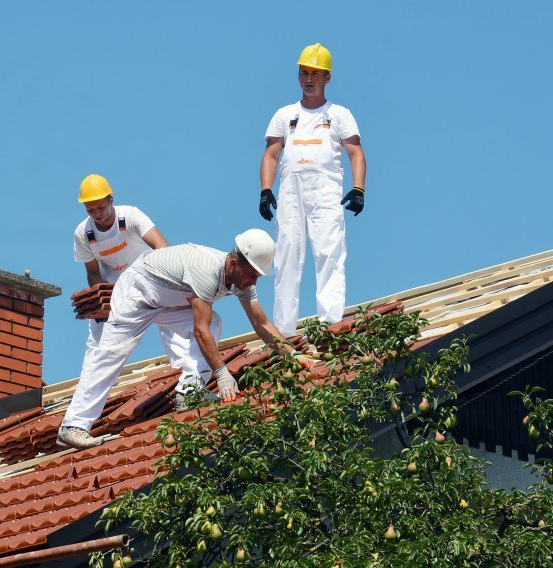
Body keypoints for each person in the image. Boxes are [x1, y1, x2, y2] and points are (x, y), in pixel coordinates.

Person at [58, 229, 291, 449]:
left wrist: (291, 353)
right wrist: (221, 373)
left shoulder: (242, 282)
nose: (254, 281)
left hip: (168, 300)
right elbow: (200, 331)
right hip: (138, 290)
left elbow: (261, 323)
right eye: (251, 274)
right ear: (233, 263)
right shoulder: (207, 269)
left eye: (258, 276)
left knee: (215, 322)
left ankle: (190, 393)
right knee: (111, 352)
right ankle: (73, 425)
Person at [72, 173, 222, 429]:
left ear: (111, 199)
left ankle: (188, 389)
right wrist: (102, 304)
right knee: (100, 350)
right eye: (90, 209)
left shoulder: (129, 217)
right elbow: (93, 273)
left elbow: (162, 248)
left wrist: (173, 286)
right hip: (118, 296)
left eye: (100, 207)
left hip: (151, 285)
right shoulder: (84, 233)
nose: (96, 213)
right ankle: (78, 418)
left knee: (189, 331)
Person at [258, 43, 367, 337]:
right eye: (304, 73)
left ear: (327, 78)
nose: (309, 79)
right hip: (291, 194)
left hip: (326, 192)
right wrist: (266, 190)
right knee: (287, 256)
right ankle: (283, 330)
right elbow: (271, 154)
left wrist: (358, 188)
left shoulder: (339, 114)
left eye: (315, 74)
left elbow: (355, 152)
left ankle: (329, 323)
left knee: (329, 253)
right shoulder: (285, 114)